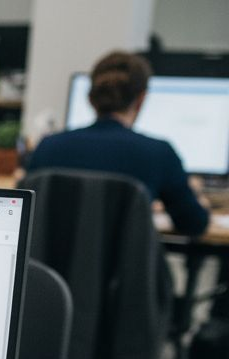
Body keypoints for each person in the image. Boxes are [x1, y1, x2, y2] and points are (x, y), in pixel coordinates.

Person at [28, 51, 209, 236]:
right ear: (141, 100)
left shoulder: (48, 147)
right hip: (129, 266)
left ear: (90, 98)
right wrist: (194, 194)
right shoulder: (158, 153)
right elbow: (194, 224)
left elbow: (26, 216)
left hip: (50, 265)